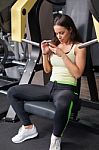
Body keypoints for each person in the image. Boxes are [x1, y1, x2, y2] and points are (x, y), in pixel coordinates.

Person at [7, 13, 86, 150]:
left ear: (70, 29)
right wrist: (44, 54)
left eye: (62, 32)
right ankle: (28, 128)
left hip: (66, 89)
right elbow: (47, 70)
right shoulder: (55, 45)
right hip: (49, 87)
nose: (59, 36)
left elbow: (77, 74)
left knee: (63, 103)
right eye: (57, 33)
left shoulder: (79, 47)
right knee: (13, 91)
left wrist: (62, 55)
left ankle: (55, 138)